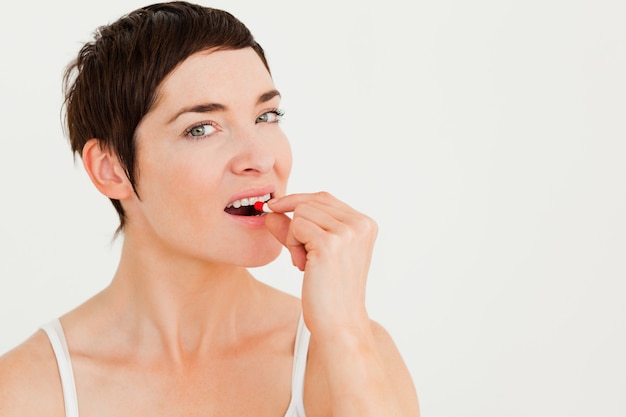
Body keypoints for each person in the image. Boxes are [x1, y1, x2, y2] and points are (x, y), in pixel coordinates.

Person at [0, 2, 420, 416]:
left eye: (267, 115)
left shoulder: (348, 353)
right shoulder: (26, 391)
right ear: (111, 170)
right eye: (201, 128)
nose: (259, 157)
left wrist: (346, 333)